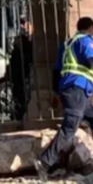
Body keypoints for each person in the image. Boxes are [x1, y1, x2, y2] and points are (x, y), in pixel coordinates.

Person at [36, 17, 93, 178]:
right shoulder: (85, 40)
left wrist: (56, 93)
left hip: (73, 91)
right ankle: (44, 162)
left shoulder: (67, 44)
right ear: (90, 28)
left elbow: (56, 71)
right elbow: (90, 63)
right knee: (69, 129)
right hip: (77, 89)